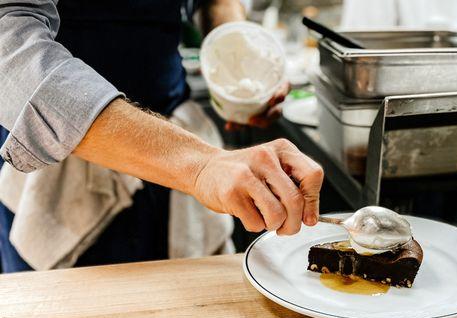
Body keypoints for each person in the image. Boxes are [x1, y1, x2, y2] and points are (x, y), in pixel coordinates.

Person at [0, 0, 324, 273]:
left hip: (176, 154)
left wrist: (237, 57)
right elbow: (8, 43)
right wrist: (201, 165)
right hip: (64, 166)